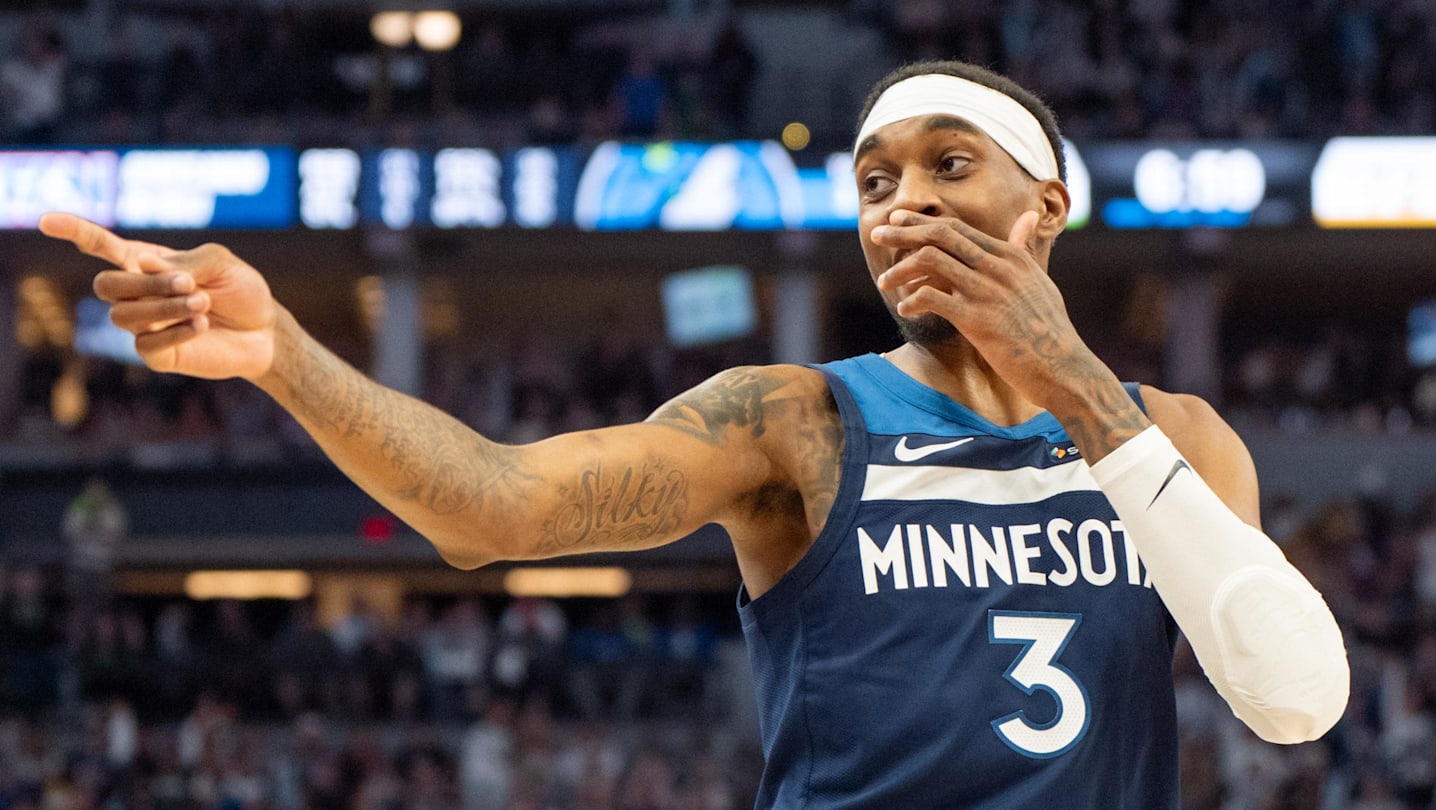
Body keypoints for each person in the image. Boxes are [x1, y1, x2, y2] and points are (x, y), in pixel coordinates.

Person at [41, 59, 1349, 808]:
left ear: (1045, 207)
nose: (901, 204)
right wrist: (285, 352)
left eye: (949, 164)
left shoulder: (1174, 437)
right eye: (875, 181)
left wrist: (1077, 385)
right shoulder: (797, 422)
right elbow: (493, 508)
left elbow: (1296, 701)